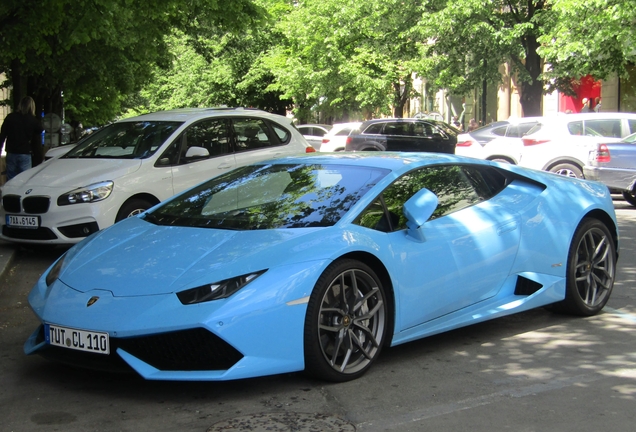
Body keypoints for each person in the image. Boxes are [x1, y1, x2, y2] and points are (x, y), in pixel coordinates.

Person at [0, 96, 43, 181]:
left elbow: (2, 135)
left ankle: (11, 193)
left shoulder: (10, 117)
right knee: (24, 179)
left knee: (11, 178)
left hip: (11, 152)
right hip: (25, 152)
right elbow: (40, 130)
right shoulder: (32, 120)